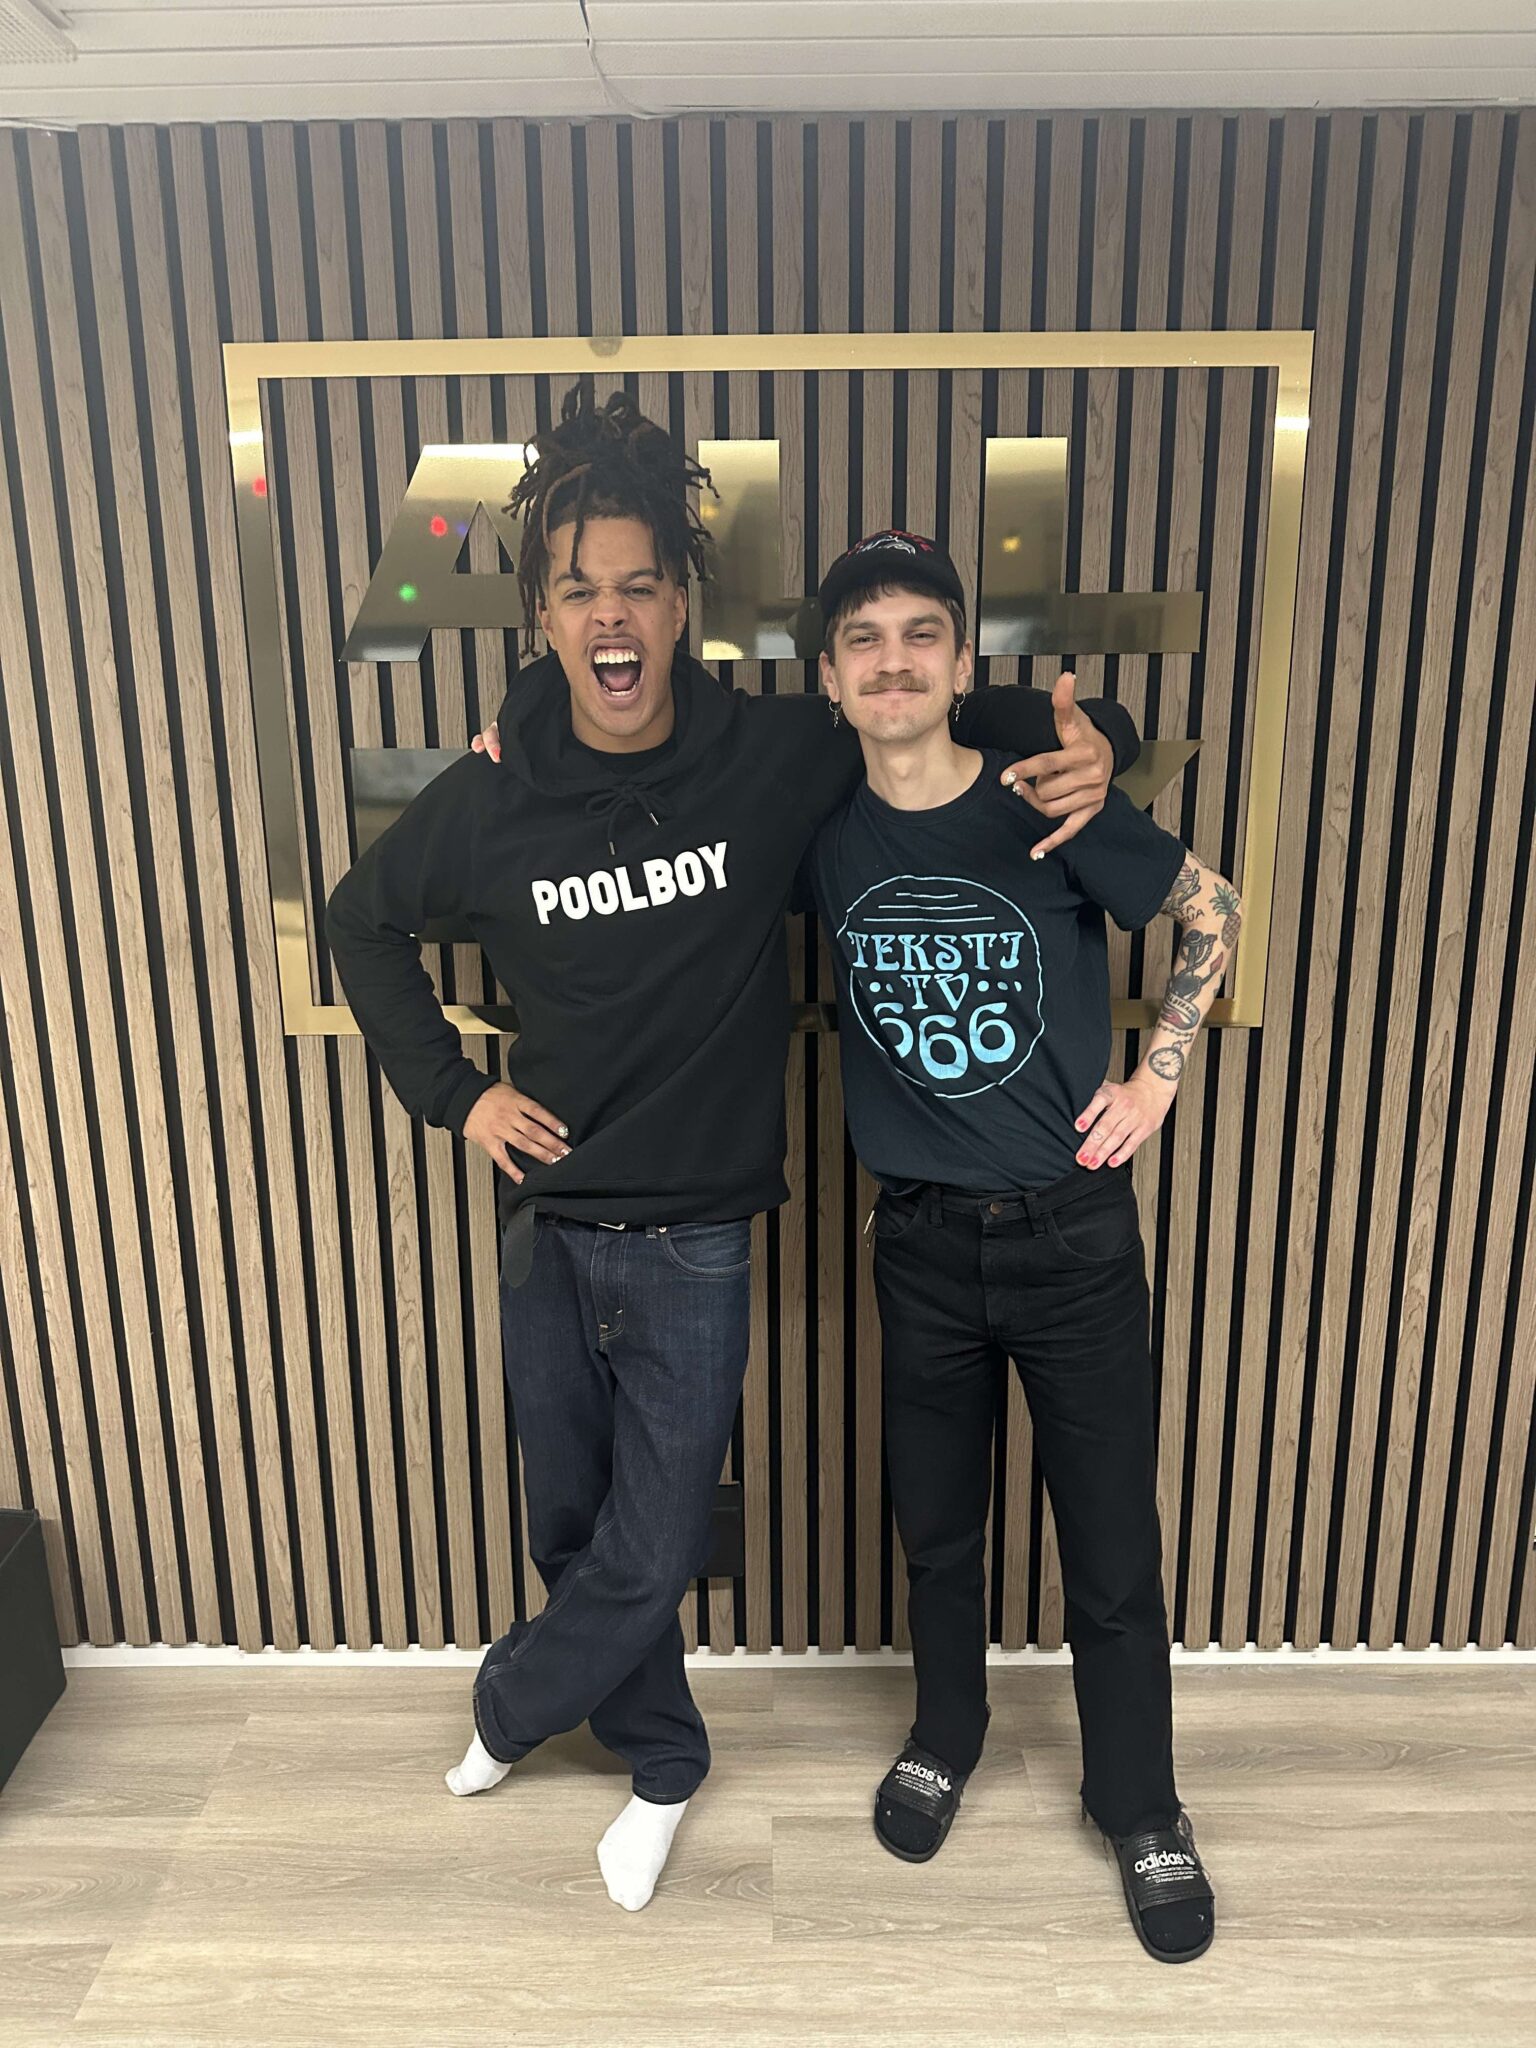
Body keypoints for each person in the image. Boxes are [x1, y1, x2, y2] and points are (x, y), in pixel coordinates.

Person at [326, 383, 1146, 1913]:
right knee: (570, 1525)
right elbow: (358, 924)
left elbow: (929, 718)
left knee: (649, 1547)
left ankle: (513, 1700)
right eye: (580, 589)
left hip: (696, 1238)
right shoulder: (495, 792)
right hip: (545, 1224)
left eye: (639, 583)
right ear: (541, 619)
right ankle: (660, 1756)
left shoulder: (773, 757)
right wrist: (456, 1096)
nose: (612, 614)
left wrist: (1097, 746)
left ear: (680, 605)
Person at [801, 527, 1232, 1964]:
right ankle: (949, 1733)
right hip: (919, 1243)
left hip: (1072, 1237)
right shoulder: (821, 830)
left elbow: (1212, 911)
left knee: (1110, 1544)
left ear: (960, 660)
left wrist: (1157, 1076)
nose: (894, 662)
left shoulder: (1048, 801)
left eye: (922, 634)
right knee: (938, 1529)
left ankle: (1141, 1805)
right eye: (865, 640)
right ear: (831, 676)